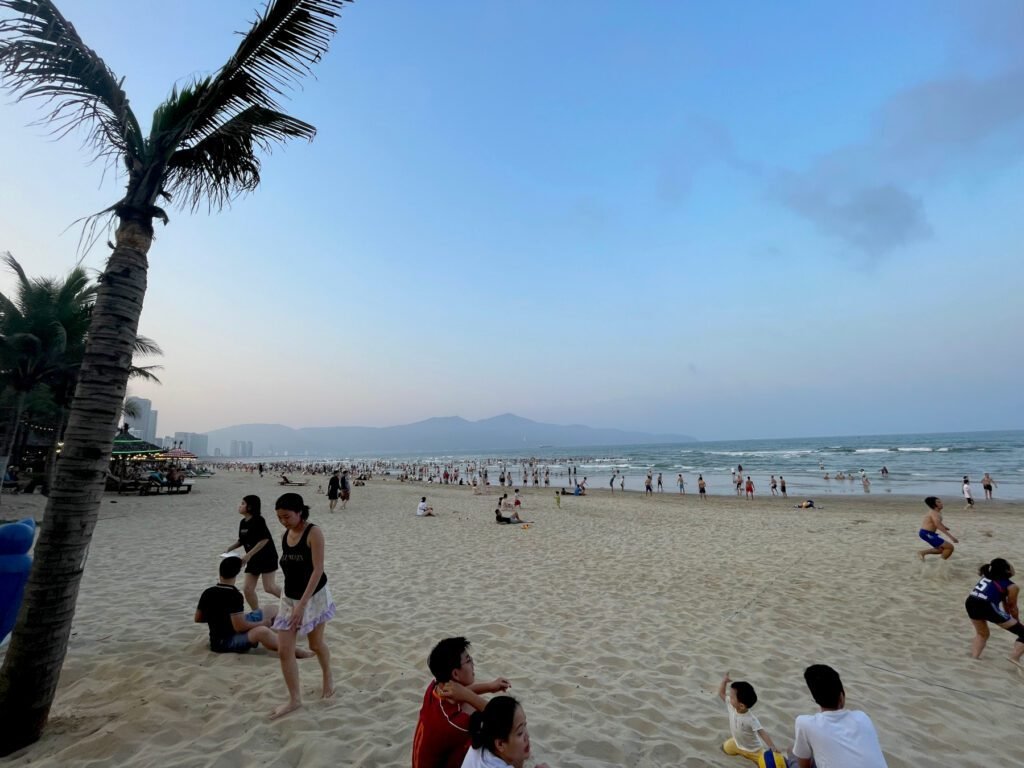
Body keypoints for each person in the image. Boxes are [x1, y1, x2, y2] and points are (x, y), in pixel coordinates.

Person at [269, 493, 335, 719]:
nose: (283, 521)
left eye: (287, 516)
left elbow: (317, 570)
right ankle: (294, 699)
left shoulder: (313, 533)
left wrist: (303, 605)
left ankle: (327, 674)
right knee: (284, 649)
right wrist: (292, 603)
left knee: (315, 644)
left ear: (300, 512)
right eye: (279, 518)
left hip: (313, 596)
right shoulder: (285, 534)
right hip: (289, 598)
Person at [412, 637, 511, 768]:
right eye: (469, 660)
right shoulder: (454, 722)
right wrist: (468, 696)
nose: (473, 663)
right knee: (499, 742)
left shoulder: (434, 688)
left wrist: (489, 687)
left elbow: (459, 692)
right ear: (455, 674)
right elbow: (504, 721)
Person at [194, 556, 312, 657]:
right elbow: (239, 627)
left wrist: (217, 618)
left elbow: (198, 618)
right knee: (262, 631)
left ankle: (292, 632)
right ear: (236, 574)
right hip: (225, 642)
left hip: (225, 633)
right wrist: (262, 623)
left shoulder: (207, 592)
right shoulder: (234, 595)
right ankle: (298, 652)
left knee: (270, 609)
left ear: (220, 573)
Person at [791, 664, 887, 768]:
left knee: (791, 753)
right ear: (841, 696)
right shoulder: (863, 717)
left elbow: (804, 766)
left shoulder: (804, 723)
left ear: (815, 700)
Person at [222, 495, 281, 611]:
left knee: (269, 587)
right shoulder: (243, 522)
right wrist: (229, 548)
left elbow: (264, 539)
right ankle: (256, 612)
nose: (240, 505)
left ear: (250, 507)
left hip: (267, 556)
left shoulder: (258, 520)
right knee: (247, 589)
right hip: (253, 558)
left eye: (243, 503)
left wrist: (248, 555)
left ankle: (294, 603)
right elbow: (242, 540)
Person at [461, 695, 549, 768]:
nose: (527, 736)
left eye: (525, 725)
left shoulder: (481, 741)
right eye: (520, 733)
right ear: (500, 744)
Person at [965, 558, 1024, 664]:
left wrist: (1010, 619)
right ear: (1007, 570)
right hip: (985, 605)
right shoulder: (1012, 586)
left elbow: (1005, 604)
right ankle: (1014, 658)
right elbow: (1012, 607)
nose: (1012, 566)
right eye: (1010, 565)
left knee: (982, 633)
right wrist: (1017, 622)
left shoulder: (986, 577)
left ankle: (973, 659)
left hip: (971, 602)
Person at [717, 672, 780, 762]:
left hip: (754, 751)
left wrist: (773, 748)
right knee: (723, 748)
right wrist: (724, 682)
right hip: (737, 744)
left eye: (732, 697)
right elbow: (721, 694)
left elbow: (762, 732)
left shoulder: (751, 719)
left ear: (741, 705)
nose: (729, 698)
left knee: (764, 763)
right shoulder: (731, 705)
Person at [918, 496, 958, 560]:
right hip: (926, 533)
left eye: (940, 501)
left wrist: (944, 526)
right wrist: (951, 537)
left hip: (928, 533)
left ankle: (922, 553)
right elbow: (937, 525)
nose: (941, 503)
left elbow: (937, 522)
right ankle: (940, 563)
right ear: (933, 504)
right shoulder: (934, 513)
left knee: (940, 550)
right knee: (950, 547)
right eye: (938, 502)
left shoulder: (937, 512)